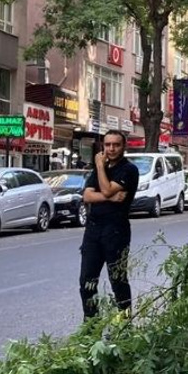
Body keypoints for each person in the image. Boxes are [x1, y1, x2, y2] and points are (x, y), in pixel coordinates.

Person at [79, 130, 139, 320]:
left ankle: (124, 325)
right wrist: (111, 196)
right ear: (103, 146)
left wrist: (100, 168)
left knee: (118, 281)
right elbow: (87, 196)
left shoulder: (128, 170)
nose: (111, 149)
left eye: (116, 145)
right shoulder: (99, 169)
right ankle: (91, 324)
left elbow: (105, 189)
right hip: (93, 230)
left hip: (116, 230)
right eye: (107, 145)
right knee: (87, 281)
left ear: (124, 146)